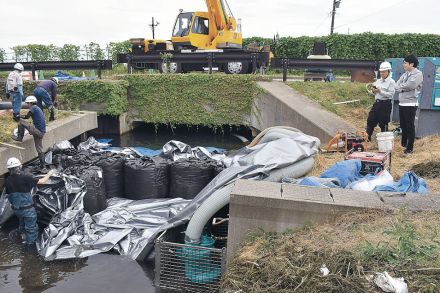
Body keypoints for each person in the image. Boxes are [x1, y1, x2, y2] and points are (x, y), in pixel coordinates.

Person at [4, 157, 53, 246]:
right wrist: (49, 174)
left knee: (22, 223)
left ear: (9, 169)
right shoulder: (25, 177)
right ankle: (29, 247)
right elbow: (42, 181)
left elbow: (9, 195)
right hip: (28, 211)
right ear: (19, 167)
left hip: (17, 210)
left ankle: (21, 235)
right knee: (32, 229)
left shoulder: (7, 180)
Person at [395, 54, 424, 154]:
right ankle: (403, 144)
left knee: (410, 126)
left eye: (405, 63)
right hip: (402, 103)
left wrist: (401, 88)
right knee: (403, 125)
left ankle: (410, 148)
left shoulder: (418, 74)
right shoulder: (405, 74)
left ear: (412, 64)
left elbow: (410, 85)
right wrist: (402, 87)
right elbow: (397, 84)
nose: (404, 64)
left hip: (410, 104)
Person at [11, 96, 47, 170]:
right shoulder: (38, 108)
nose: (27, 104)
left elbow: (27, 117)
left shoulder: (33, 107)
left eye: (28, 103)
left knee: (21, 121)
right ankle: (43, 167)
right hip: (41, 132)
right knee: (39, 149)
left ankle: (19, 137)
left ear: (31, 102)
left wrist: (18, 117)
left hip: (37, 130)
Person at [366, 61, 396, 141]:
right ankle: (367, 138)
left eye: (384, 72)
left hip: (385, 104)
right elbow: (374, 92)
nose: (382, 73)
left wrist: (380, 91)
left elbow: (390, 94)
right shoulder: (378, 81)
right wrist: (373, 91)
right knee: (370, 120)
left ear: (389, 72)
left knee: (383, 123)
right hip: (377, 103)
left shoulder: (392, 82)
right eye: (381, 72)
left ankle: (384, 141)